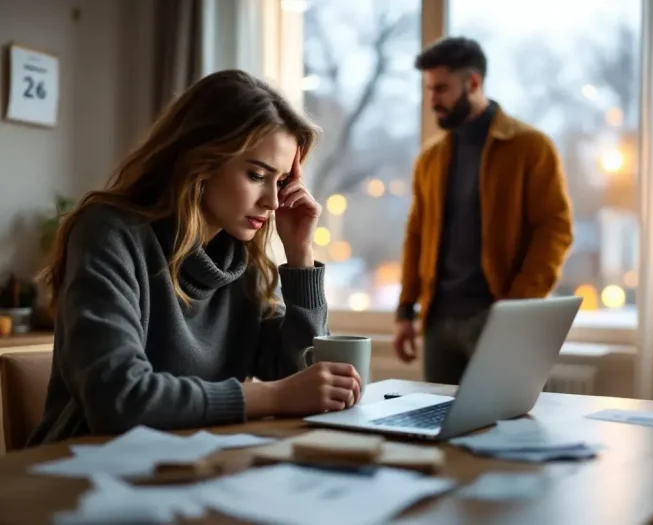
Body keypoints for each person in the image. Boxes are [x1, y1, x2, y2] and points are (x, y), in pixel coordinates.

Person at [27, 70, 362, 446]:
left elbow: (307, 374)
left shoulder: (239, 262)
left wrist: (300, 255)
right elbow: (118, 398)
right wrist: (273, 396)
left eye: (282, 182)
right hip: (79, 471)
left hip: (190, 466)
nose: (272, 201)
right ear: (200, 160)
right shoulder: (109, 233)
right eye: (256, 175)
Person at [393, 37, 574, 384]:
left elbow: (555, 229)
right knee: (437, 431)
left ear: (473, 83)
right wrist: (405, 310)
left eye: (442, 89)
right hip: (438, 323)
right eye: (429, 89)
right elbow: (416, 236)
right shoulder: (430, 159)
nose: (433, 101)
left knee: (508, 429)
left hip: (497, 320)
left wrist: (516, 309)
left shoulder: (530, 147)